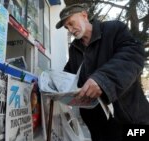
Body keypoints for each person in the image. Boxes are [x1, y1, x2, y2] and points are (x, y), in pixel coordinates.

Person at [56, 3, 149, 141]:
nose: (70, 29)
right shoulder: (74, 49)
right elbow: (69, 76)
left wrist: (102, 80)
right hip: (98, 128)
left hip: (130, 120)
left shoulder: (114, 29)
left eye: (71, 23)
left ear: (84, 15)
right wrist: (52, 85)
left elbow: (133, 55)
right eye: (67, 27)